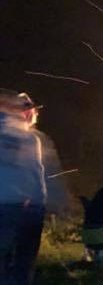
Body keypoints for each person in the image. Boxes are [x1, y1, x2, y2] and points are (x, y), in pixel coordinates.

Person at [0, 91, 46, 285]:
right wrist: (40, 204)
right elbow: (34, 176)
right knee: (22, 262)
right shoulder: (28, 139)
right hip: (20, 208)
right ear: (27, 113)